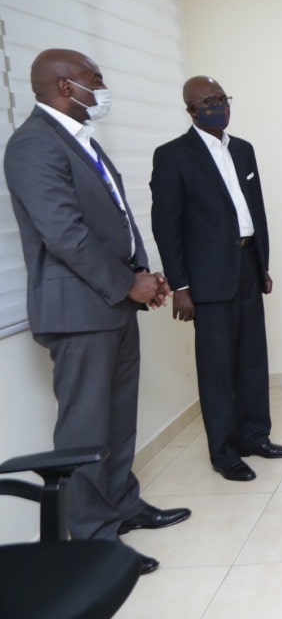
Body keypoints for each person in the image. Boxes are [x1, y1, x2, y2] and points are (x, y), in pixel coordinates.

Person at [4, 49, 190, 574]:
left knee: (116, 418)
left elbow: (117, 221)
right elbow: (65, 233)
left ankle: (123, 505)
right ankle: (93, 541)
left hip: (109, 305)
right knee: (84, 430)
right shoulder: (33, 145)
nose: (102, 88)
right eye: (95, 80)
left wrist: (143, 276)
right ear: (65, 85)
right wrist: (125, 282)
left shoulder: (81, 141)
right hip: (79, 312)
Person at [150, 76, 282, 482]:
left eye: (222, 99)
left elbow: (255, 212)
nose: (219, 106)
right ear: (191, 110)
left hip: (248, 266)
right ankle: (224, 452)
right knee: (217, 368)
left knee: (252, 358)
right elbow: (167, 225)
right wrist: (180, 286)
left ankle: (254, 436)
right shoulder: (173, 156)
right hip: (206, 279)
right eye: (209, 101)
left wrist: (262, 264)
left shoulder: (243, 150)